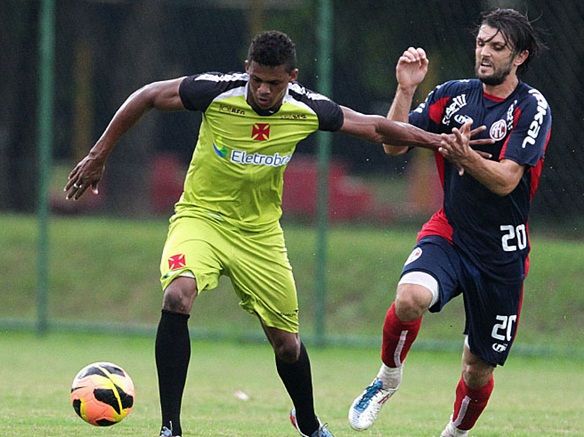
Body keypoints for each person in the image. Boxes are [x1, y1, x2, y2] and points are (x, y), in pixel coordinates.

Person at [64, 30, 486, 437]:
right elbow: (149, 95)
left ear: (292, 79)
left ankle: (307, 420)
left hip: (261, 236)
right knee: (177, 295)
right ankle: (170, 427)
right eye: (257, 80)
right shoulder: (217, 91)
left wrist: (441, 142)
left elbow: (377, 128)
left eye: (274, 83)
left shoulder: (307, 107)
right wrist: (99, 155)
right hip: (201, 220)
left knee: (286, 345)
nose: (263, 90)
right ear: (247, 69)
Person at [348, 8, 552, 437]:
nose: (484, 53)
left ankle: (455, 433)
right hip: (452, 232)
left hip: (503, 254)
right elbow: (392, 147)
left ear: (519, 57)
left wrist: (465, 157)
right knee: (409, 298)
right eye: (481, 43)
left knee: (478, 369)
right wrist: (405, 91)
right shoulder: (453, 95)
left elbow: (506, 180)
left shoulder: (531, 107)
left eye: (497, 47)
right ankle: (386, 378)